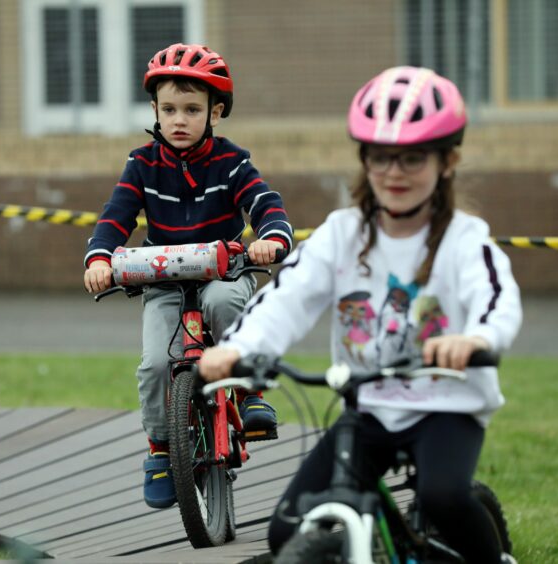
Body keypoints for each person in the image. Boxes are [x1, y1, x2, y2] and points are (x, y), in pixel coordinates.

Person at [199, 66, 522, 563]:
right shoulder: (342, 233)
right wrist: (238, 349)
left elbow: (496, 298)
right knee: (288, 529)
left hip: (446, 406)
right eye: (380, 157)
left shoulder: (463, 238)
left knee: (442, 496)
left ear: (448, 160)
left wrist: (476, 340)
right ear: (364, 159)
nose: (395, 172)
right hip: (368, 407)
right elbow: (288, 297)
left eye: (413, 158)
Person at [83, 43, 293, 509]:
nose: (180, 119)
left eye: (193, 109)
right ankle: (161, 449)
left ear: (215, 112)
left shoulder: (232, 162)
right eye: (170, 109)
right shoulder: (142, 165)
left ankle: (249, 389)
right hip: (165, 281)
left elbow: (265, 204)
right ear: (155, 110)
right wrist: (100, 259)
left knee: (224, 304)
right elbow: (116, 217)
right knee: (157, 363)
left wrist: (271, 237)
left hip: (224, 273)